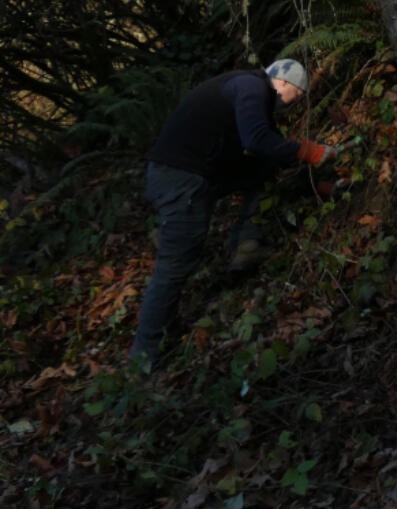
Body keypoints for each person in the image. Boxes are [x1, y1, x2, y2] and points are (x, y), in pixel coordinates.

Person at [130, 59, 339, 364]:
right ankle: (144, 356)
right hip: (180, 178)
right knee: (174, 266)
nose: (299, 103)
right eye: (301, 95)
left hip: (193, 172)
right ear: (285, 84)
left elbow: (269, 153)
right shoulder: (252, 87)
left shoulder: (249, 91)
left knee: (262, 170)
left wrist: (319, 184)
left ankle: (246, 244)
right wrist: (309, 151)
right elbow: (257, 139)